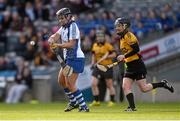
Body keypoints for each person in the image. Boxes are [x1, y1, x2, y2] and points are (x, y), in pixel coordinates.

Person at [114, 17, 174, 111]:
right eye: (116, 26)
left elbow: (136, 49)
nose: (117, 28)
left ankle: (162, 84)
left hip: (137, 65)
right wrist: (124, 58)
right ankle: (132, 108)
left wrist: (124, 56)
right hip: (129, 66)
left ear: (125, 26)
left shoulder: (129, 36)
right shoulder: (121, 38)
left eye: (119, 26)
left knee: (144, 88)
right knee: (125, 86)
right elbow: (128, 52)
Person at [48, 8, 89, 112]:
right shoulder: (64, 27)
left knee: (70, 84)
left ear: (68, 17)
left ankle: (84, 106)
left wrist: (57, 45)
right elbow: (56, 35)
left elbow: (72, 44)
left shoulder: (73, 26)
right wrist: (51, 39)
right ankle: (73, 102)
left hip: (76, 58)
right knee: (61, 81)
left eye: (62, 18)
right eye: (59, 19)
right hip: (68, 59)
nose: (60, 20)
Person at [89, 30, 116, 107]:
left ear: (104, 38)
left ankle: (112, 101)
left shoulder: (108, 46)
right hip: (98, 67)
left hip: (107, 67)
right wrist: (92, 63)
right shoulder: (94, 45)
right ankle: (97, 101)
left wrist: (107, 56)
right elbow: (93, 56)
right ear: (97, 38)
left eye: (101, 37)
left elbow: (114, 54)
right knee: (93, 84)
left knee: (109, 85)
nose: (100, 38)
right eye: (98, 37)